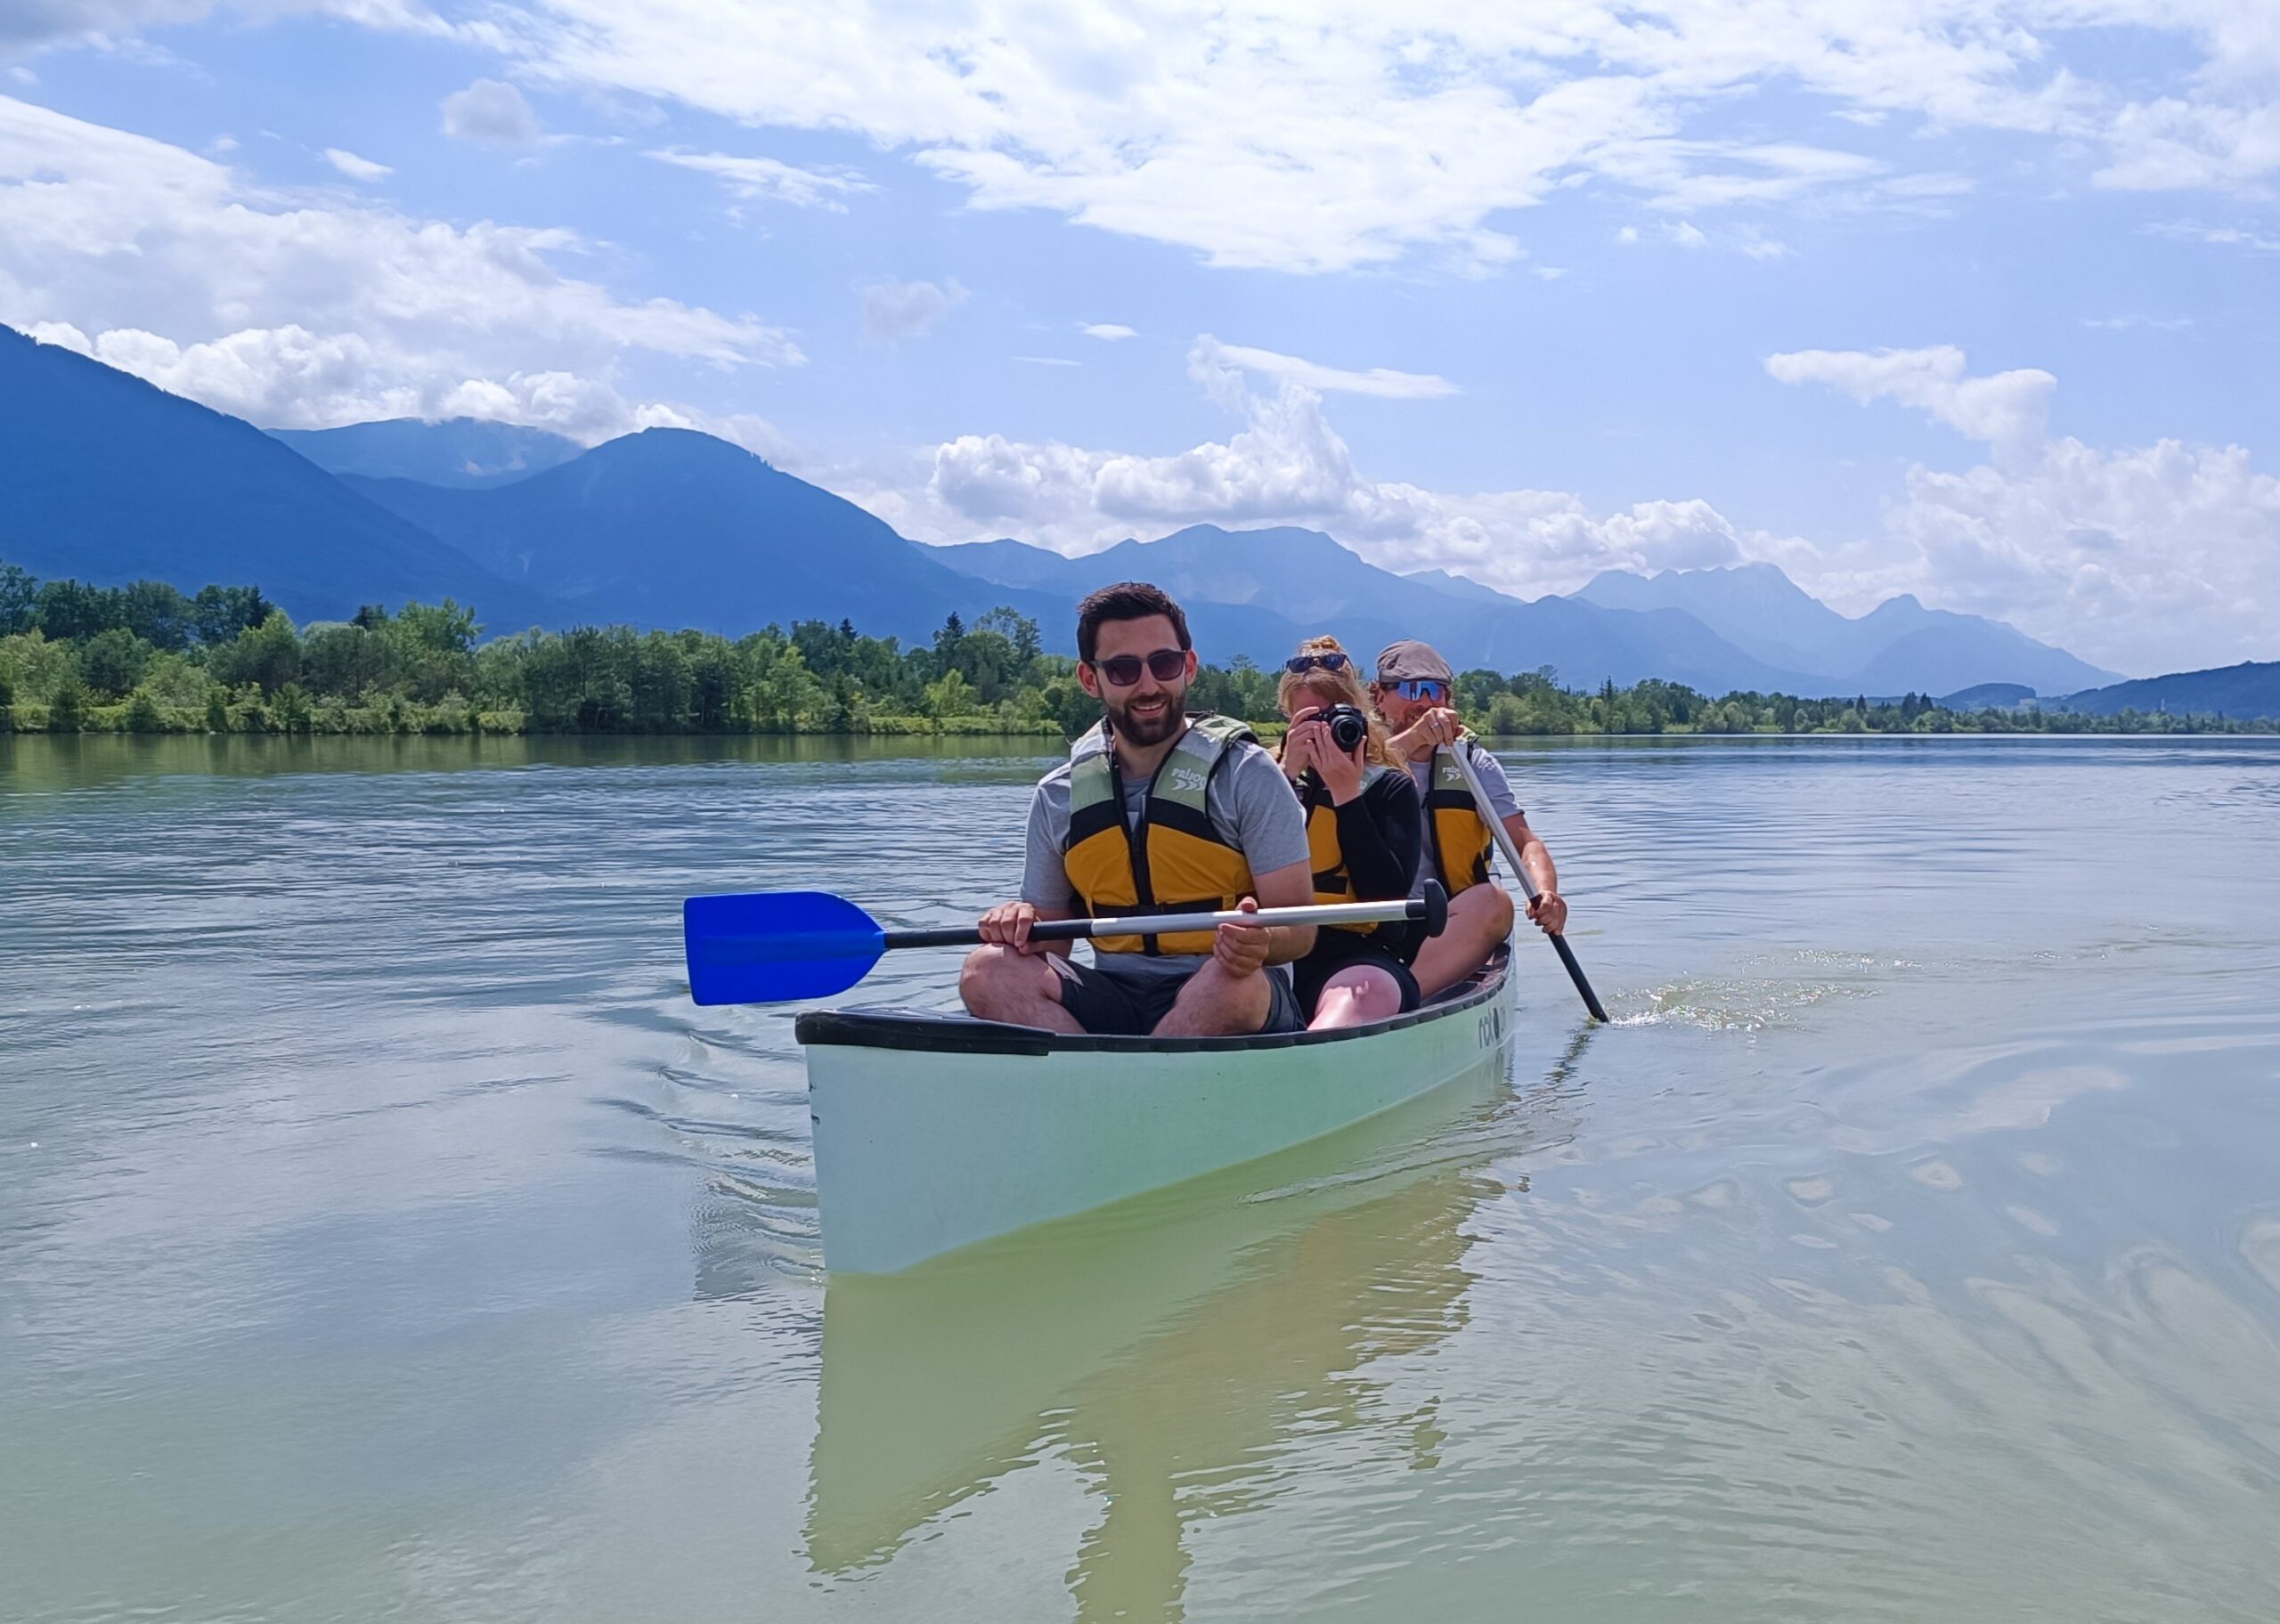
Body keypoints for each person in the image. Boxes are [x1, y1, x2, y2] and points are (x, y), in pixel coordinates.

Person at [960, 581, 1316, 1036]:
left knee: (1230, 983)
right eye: (1124, 669)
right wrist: (1019, 922)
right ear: (1091, 679)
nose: (1149, 685)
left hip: (1230, 987)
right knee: (986, 970)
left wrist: (1262, 941)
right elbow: (1054, 943)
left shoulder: (1249, 775)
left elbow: (1302, 932)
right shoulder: (1058, 794)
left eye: (1164, 664)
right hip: (1113, 991)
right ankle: (1103, 1087)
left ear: (1188, 666)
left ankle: (1114, 1091)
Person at [1369, 639, 1569, 998]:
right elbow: (1358, 779)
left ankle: (1400, 999)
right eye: (1411, 689)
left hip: (1450, 921)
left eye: (1436, 691)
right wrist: (1412, 739)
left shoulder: (1474, 764)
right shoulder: (1353, 756)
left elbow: (1526, 843)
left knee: (1495, 902)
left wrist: (1546, 892)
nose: (1425, 702)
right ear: (1379, 697)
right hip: (1368, 920)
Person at [1274, 637, 1425, 1029]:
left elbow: (1386, 894)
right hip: (1273, 950)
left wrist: (1346, 795)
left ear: (1357, 717)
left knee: (1365, 990)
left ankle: (1315, 1057)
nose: (1322, 734)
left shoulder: (1390, 787)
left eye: (1330, 719)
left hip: (1355, 956)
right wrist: (1286, 779)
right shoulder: (1263, 783)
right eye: (1307, 722)